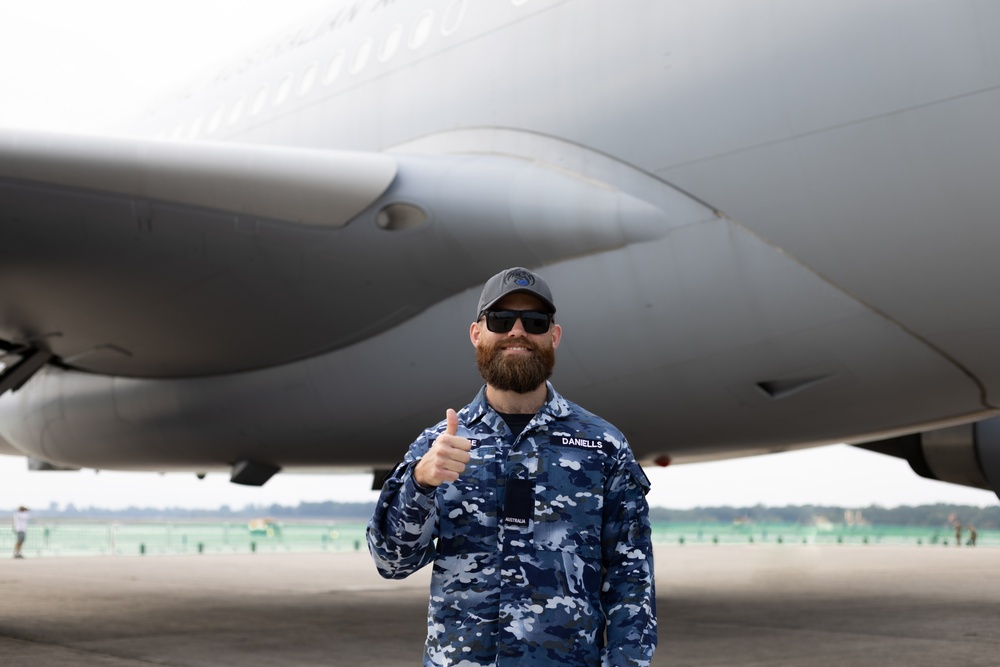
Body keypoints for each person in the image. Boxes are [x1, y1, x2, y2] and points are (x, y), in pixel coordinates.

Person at [367, 267, 656, 667]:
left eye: (535, 322)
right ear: (477, 333)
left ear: (553, 337)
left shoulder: (603, 445)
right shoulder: (439, 446)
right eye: (501, 320)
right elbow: (390, 563)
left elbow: (631, 577)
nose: (517, 331)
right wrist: (420, 483)